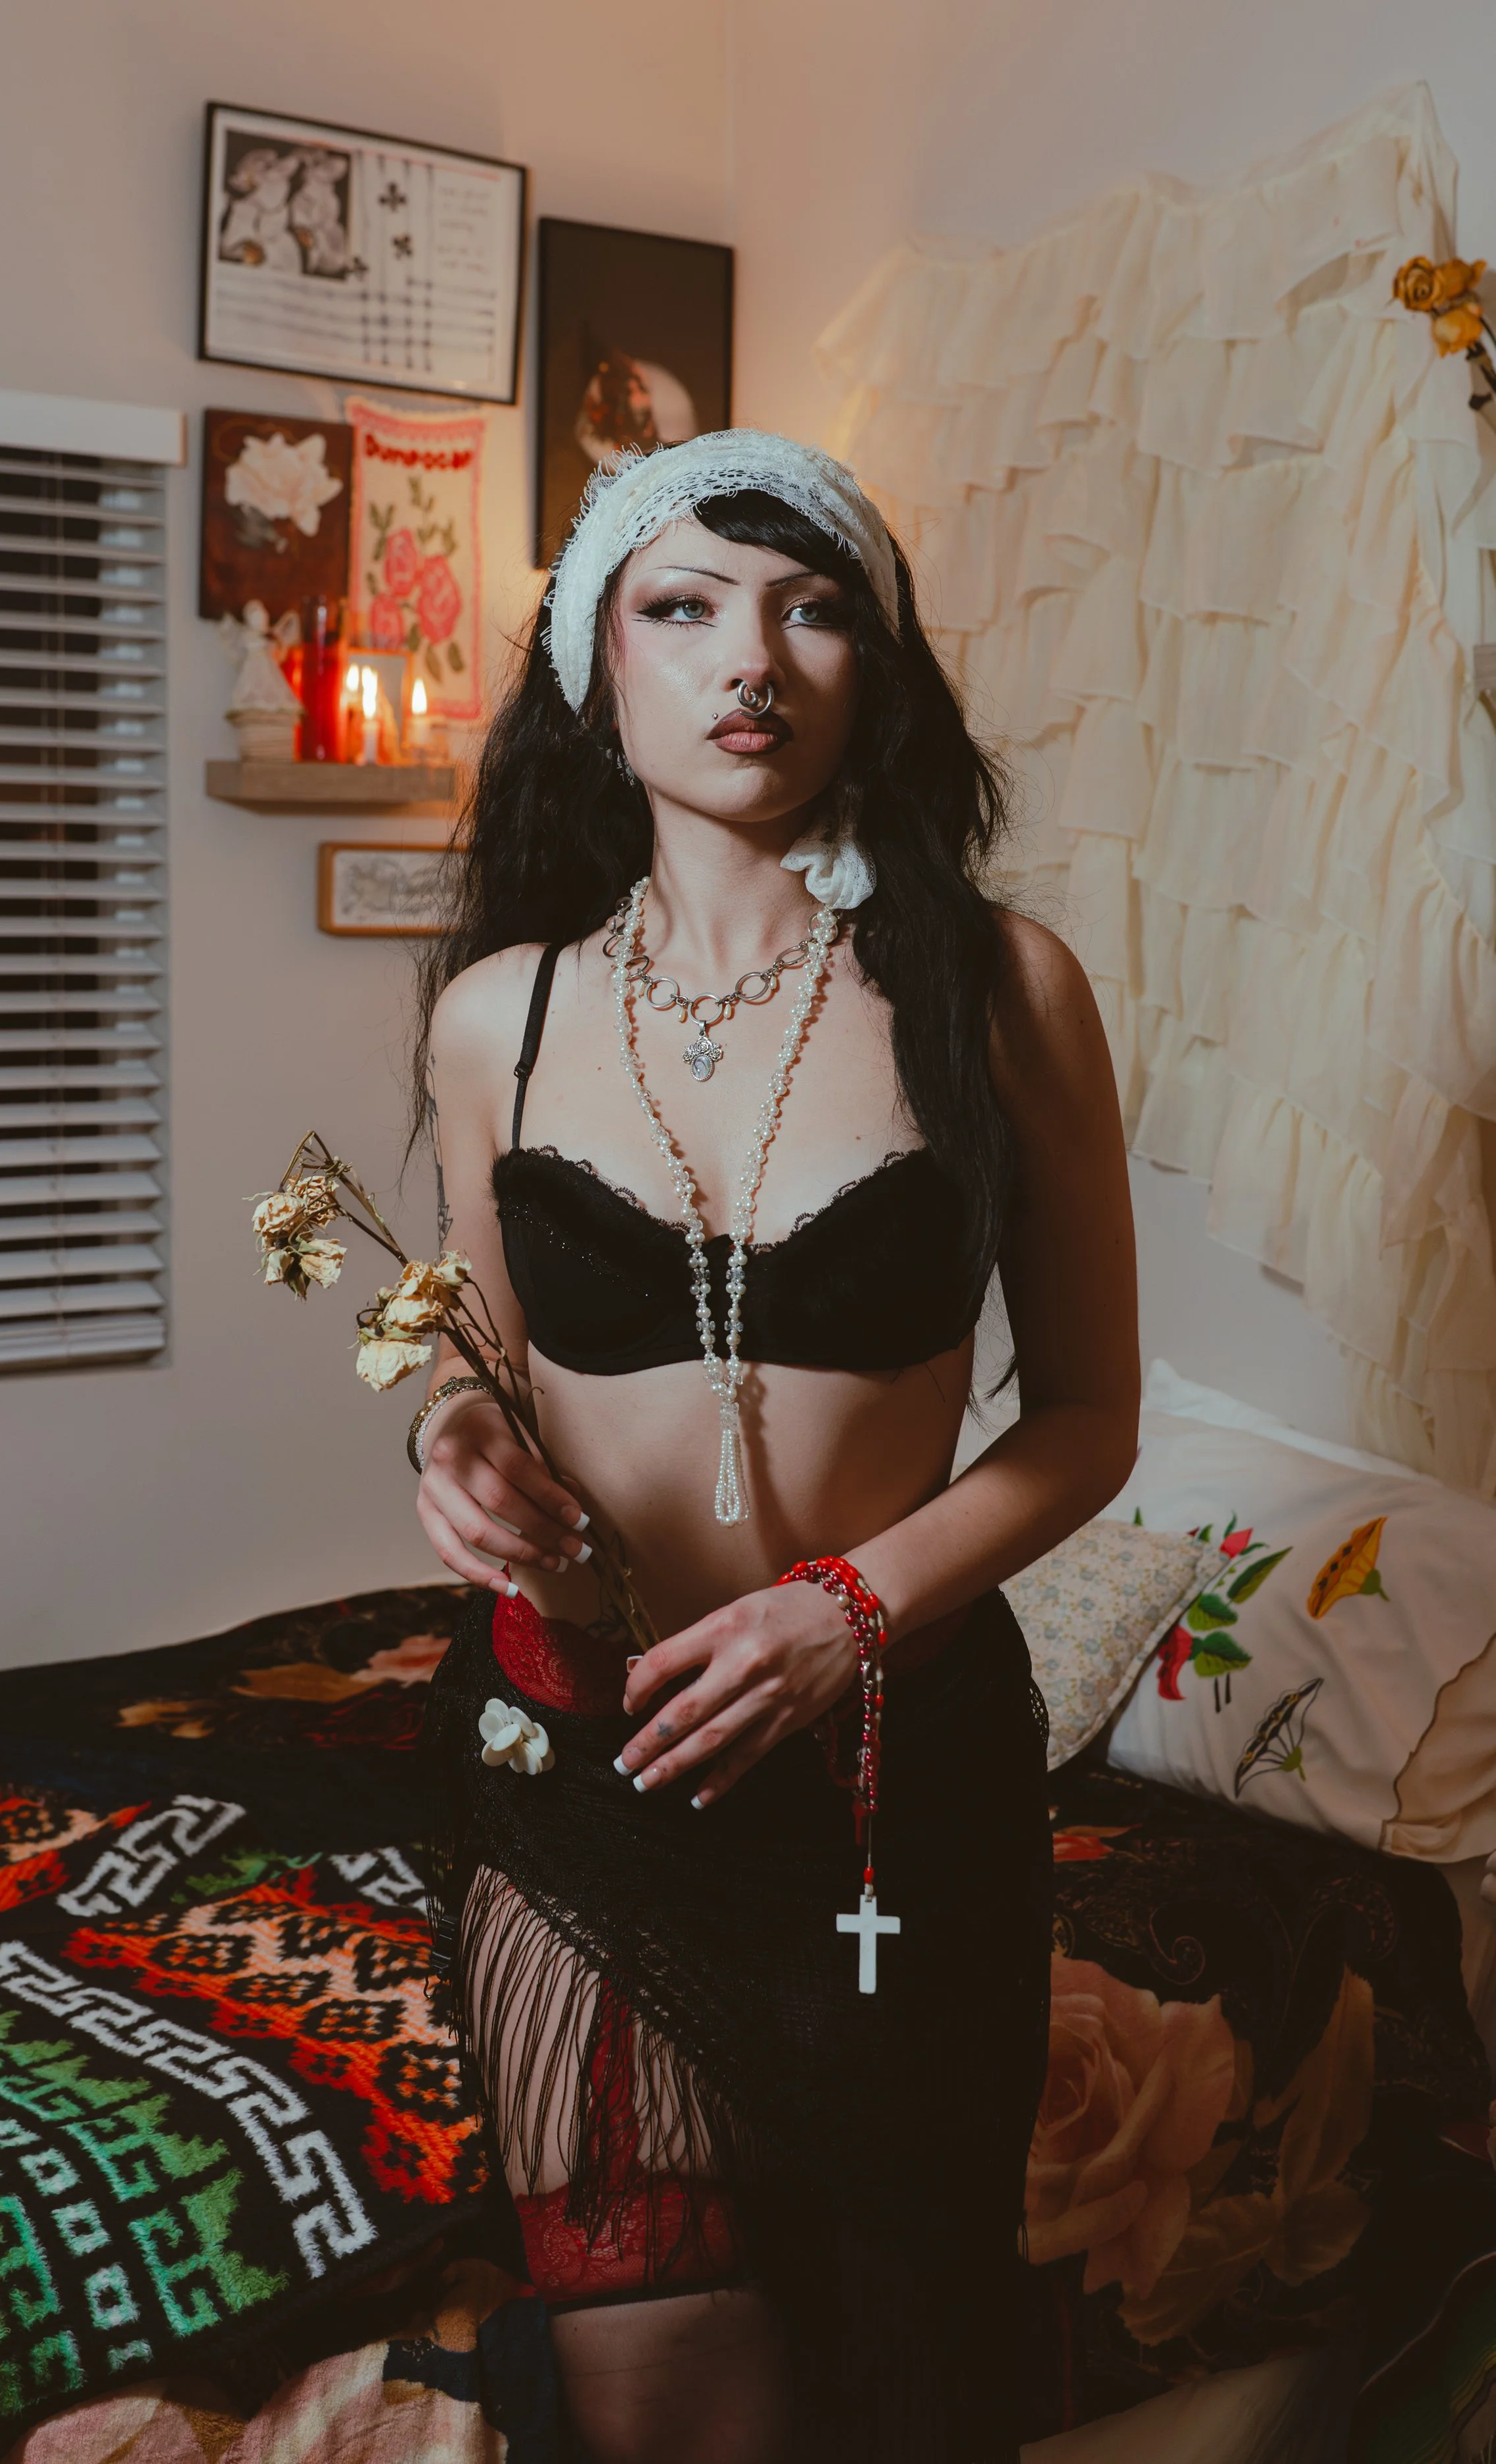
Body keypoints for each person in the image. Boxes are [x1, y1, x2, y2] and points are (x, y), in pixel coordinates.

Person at [413, 430, 1139, 2464]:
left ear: (872, 671)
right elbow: (476, 1350)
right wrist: (453, 1438)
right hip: (590, 1763)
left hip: (895, 1776)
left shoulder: (997, 987)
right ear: (597, 674)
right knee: (667, 2396)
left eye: (811, 608)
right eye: (683, 608)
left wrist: (850, 1608)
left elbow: (1090, 1415)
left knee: (903, 2369)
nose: (750, 657)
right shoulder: (500, 1016)